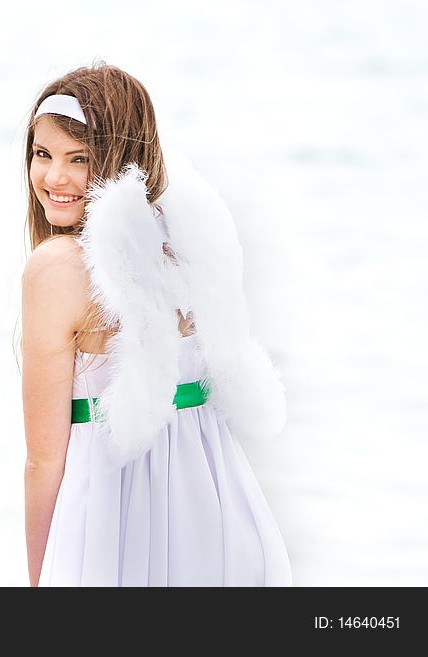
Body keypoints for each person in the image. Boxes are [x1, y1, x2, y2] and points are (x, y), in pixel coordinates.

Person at [20, 61, 293, 587]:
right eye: (42, 154)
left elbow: (43, 460)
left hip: (118, 527)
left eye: (80, 159)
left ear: (118, 157)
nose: (54, 178)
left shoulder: (56, 269)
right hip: (227, 521)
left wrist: (37, 581)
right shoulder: (188, 244)